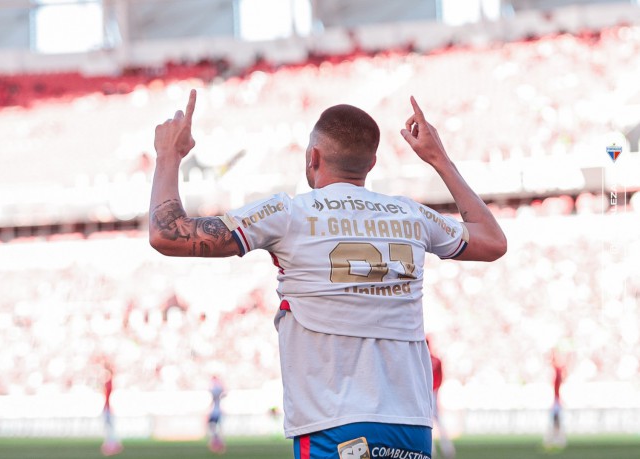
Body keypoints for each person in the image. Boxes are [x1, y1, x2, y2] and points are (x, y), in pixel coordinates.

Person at [149, 90, 506, 459]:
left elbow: (167, 234)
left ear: (313, 158)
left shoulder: (288, 214)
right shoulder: (412, 215)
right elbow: (493, 241)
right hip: (411, 425)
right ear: (371, 164)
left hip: (334, 425)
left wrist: (168, 156)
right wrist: (439, 158)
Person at [427, 338, 455, 459]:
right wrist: (436, 389)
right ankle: (446, 448)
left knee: (428, 421)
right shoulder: (436, 359)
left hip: (428, 393)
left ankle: (432, 448)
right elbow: (441, 378)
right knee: (437, 420)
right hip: (433, 392)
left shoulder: (423, 359)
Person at [543, 350, 566, 450]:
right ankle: (554, 441)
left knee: (555, 422)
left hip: (555, 402)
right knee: (555, 422)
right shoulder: (554, 371)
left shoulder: (557, 371)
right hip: (555, 401)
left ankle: (556, 441)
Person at [101, 365, 123, 456]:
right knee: (109, 428)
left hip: (109, 409)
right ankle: (112, 445)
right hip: (108, 408)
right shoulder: (108, 383)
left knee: (110, 429)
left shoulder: (109, 383)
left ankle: (112, 446)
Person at [207, 375, 226, 454]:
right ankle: (218, 445)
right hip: (217, 411)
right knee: (216, 429)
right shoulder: (219, 388)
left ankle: (216, 445)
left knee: (213, 428)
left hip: (216, 411)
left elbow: (214, 396)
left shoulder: (215, 388)